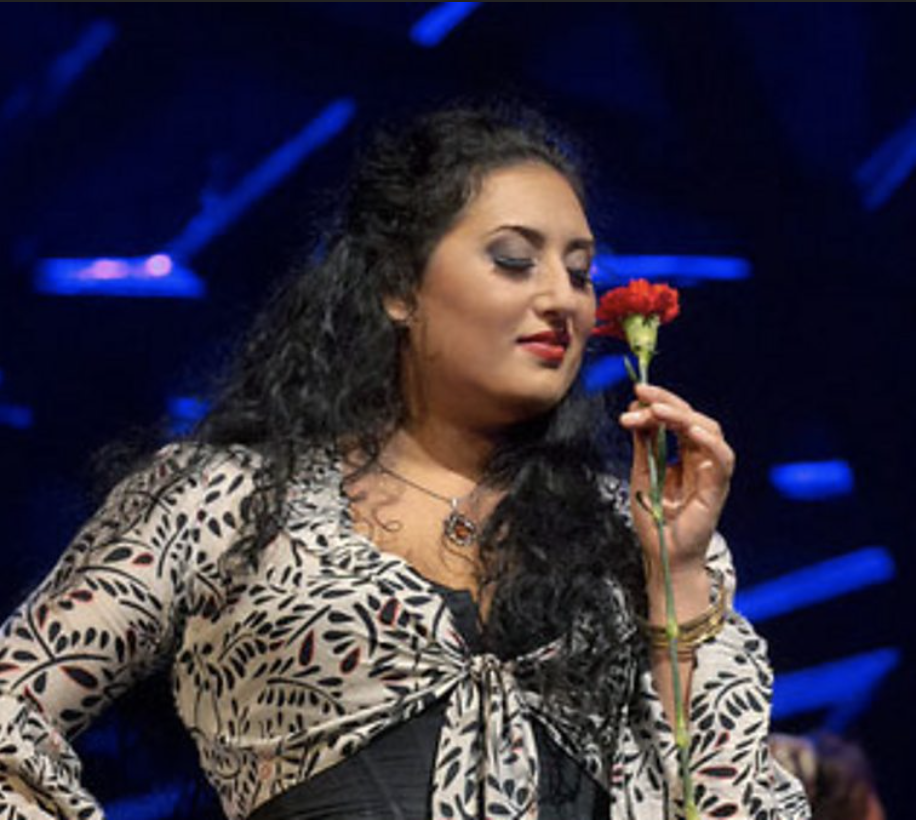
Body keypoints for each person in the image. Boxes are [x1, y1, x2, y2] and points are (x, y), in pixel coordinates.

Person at [0, 102, 810, 819]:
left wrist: (678, 580)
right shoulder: (229, 501)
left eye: (579, 272)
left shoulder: (624, 535)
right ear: (398, 286)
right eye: (514, 259)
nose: (562, 298)